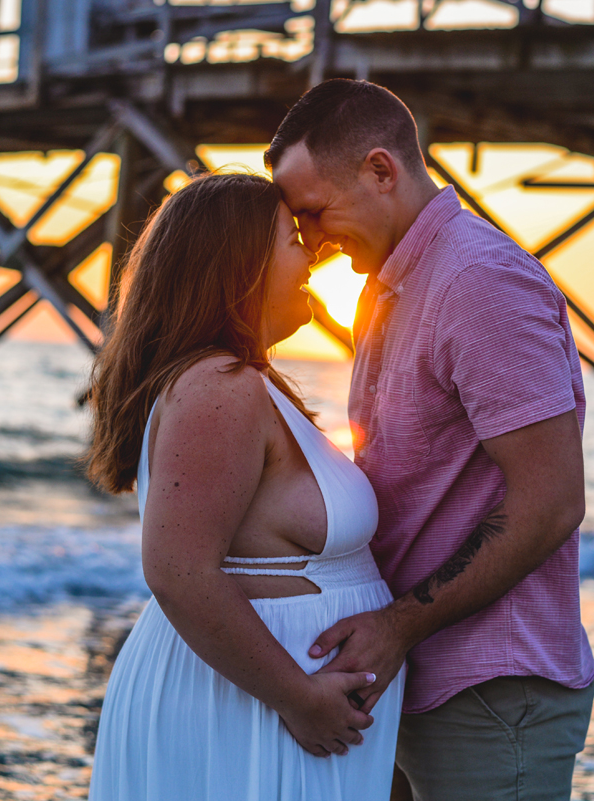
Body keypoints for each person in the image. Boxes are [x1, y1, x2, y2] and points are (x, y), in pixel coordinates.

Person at [267, 80, 594, 801]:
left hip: (492, 689)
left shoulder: (480, 282)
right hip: (412, 675)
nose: (313, 242)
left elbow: (551, 503)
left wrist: (394, 626)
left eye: (315, 213)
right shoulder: (385, 286)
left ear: (381, 171)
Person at [85, 172, 404, 800]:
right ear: (241, 264)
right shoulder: (220, 387)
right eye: (292, 239)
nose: (310, 253)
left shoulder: (252, 383)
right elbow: (178, 570)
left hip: (274, 705)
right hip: (256, 707)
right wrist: (300, 696)